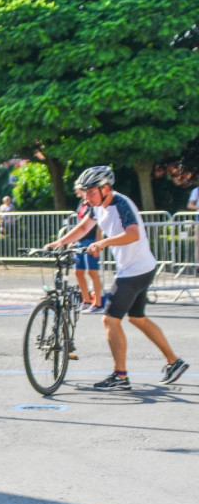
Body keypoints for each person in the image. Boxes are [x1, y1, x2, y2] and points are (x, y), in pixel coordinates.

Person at [46, 165, 189, 390]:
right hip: (138, 267)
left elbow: (133, 234)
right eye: (84, 192)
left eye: (90, 192)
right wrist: (60, 242)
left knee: (109, 319)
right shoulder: (96, 206)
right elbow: (84, 228)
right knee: (136, 318)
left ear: (105, 188)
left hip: (135, 270)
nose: (86, 196)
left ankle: (120, 377)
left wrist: (103, 242)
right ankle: (175, 362)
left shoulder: (120, 203)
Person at [71, 188, 104, 312]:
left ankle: (98, 303)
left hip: (91, 240)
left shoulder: (93, 204)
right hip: (80, 241)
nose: (76, 191)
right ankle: (86, 300)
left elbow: (99, 226)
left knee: (92, 271)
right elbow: (80, 224)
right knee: (78, 272)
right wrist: (73, 240)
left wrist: (98, 243)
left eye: (77, 189)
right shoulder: (82, 203)